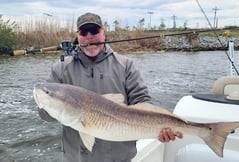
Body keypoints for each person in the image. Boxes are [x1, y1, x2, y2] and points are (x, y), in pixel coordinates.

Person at [38, 12, 183, 162]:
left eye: (94, 31)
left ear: (104, 33)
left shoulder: (126, 65)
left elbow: (142, 101)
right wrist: (47, 105)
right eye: (83, 32)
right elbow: (44, 115)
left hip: (119, 158)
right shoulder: (60, 68)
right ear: (78, 36)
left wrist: (162, 128)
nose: (89, 36)